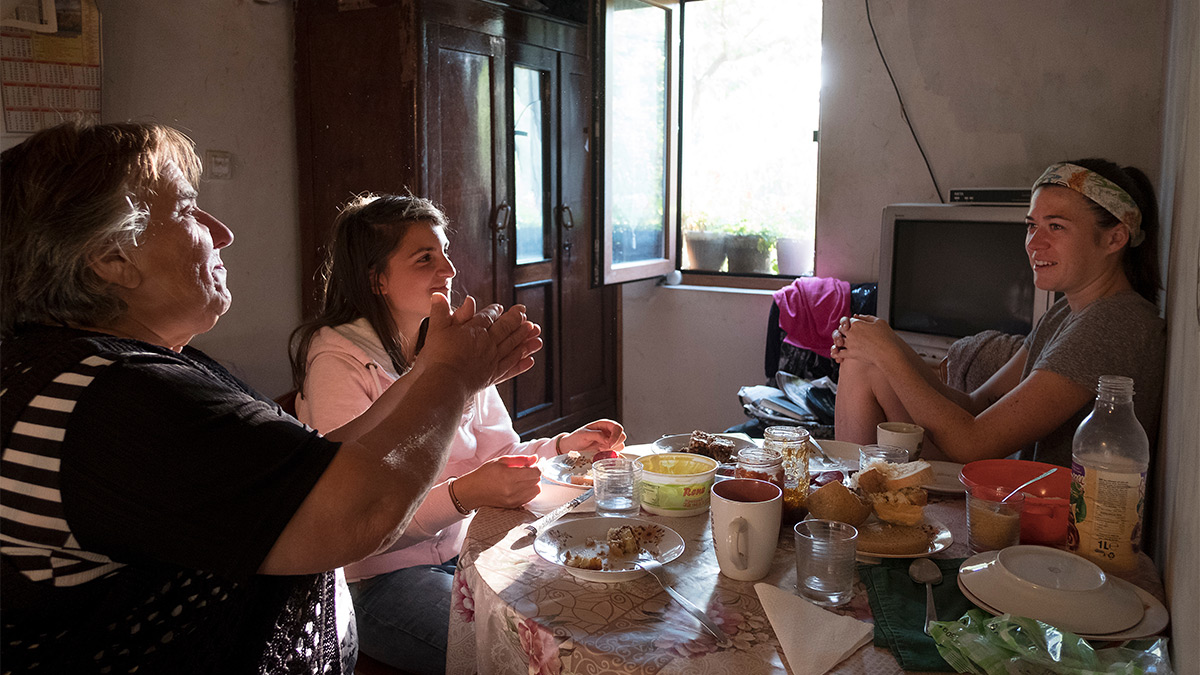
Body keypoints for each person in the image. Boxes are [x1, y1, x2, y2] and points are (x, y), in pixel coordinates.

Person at [0, 120, 542, 674]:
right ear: (112, 255)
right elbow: (357, 513)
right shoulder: (114, 401)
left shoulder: (93, 371)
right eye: (187, 210)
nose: (221, 231)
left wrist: (435, 371)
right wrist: (448, 378)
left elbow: (307, 469)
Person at [289, 193, 625, 673]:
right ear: (376, 279)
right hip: (379, 581)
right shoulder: (338, 361)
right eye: (425, 258)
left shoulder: (447, 348)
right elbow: (355, 516)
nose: (448, 269)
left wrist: (564, 448)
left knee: (577, 606)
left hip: (463, 552)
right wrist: (465, 494)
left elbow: (503, 452)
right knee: (533, 653)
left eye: (444, 251)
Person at [832, 159, 1166, 466]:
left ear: (1115, 238)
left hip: (1049, 517)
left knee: (873, 364)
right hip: (1013, 488)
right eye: (1032, 225)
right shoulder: (1066, 311)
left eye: (1056, 227)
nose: (1034, 243)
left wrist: (888, 355)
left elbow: (973, 443)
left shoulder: (1115, 322)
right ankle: (850, 504)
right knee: (864, 364)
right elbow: (976, 405)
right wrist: (886, 343)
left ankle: (853, 510)